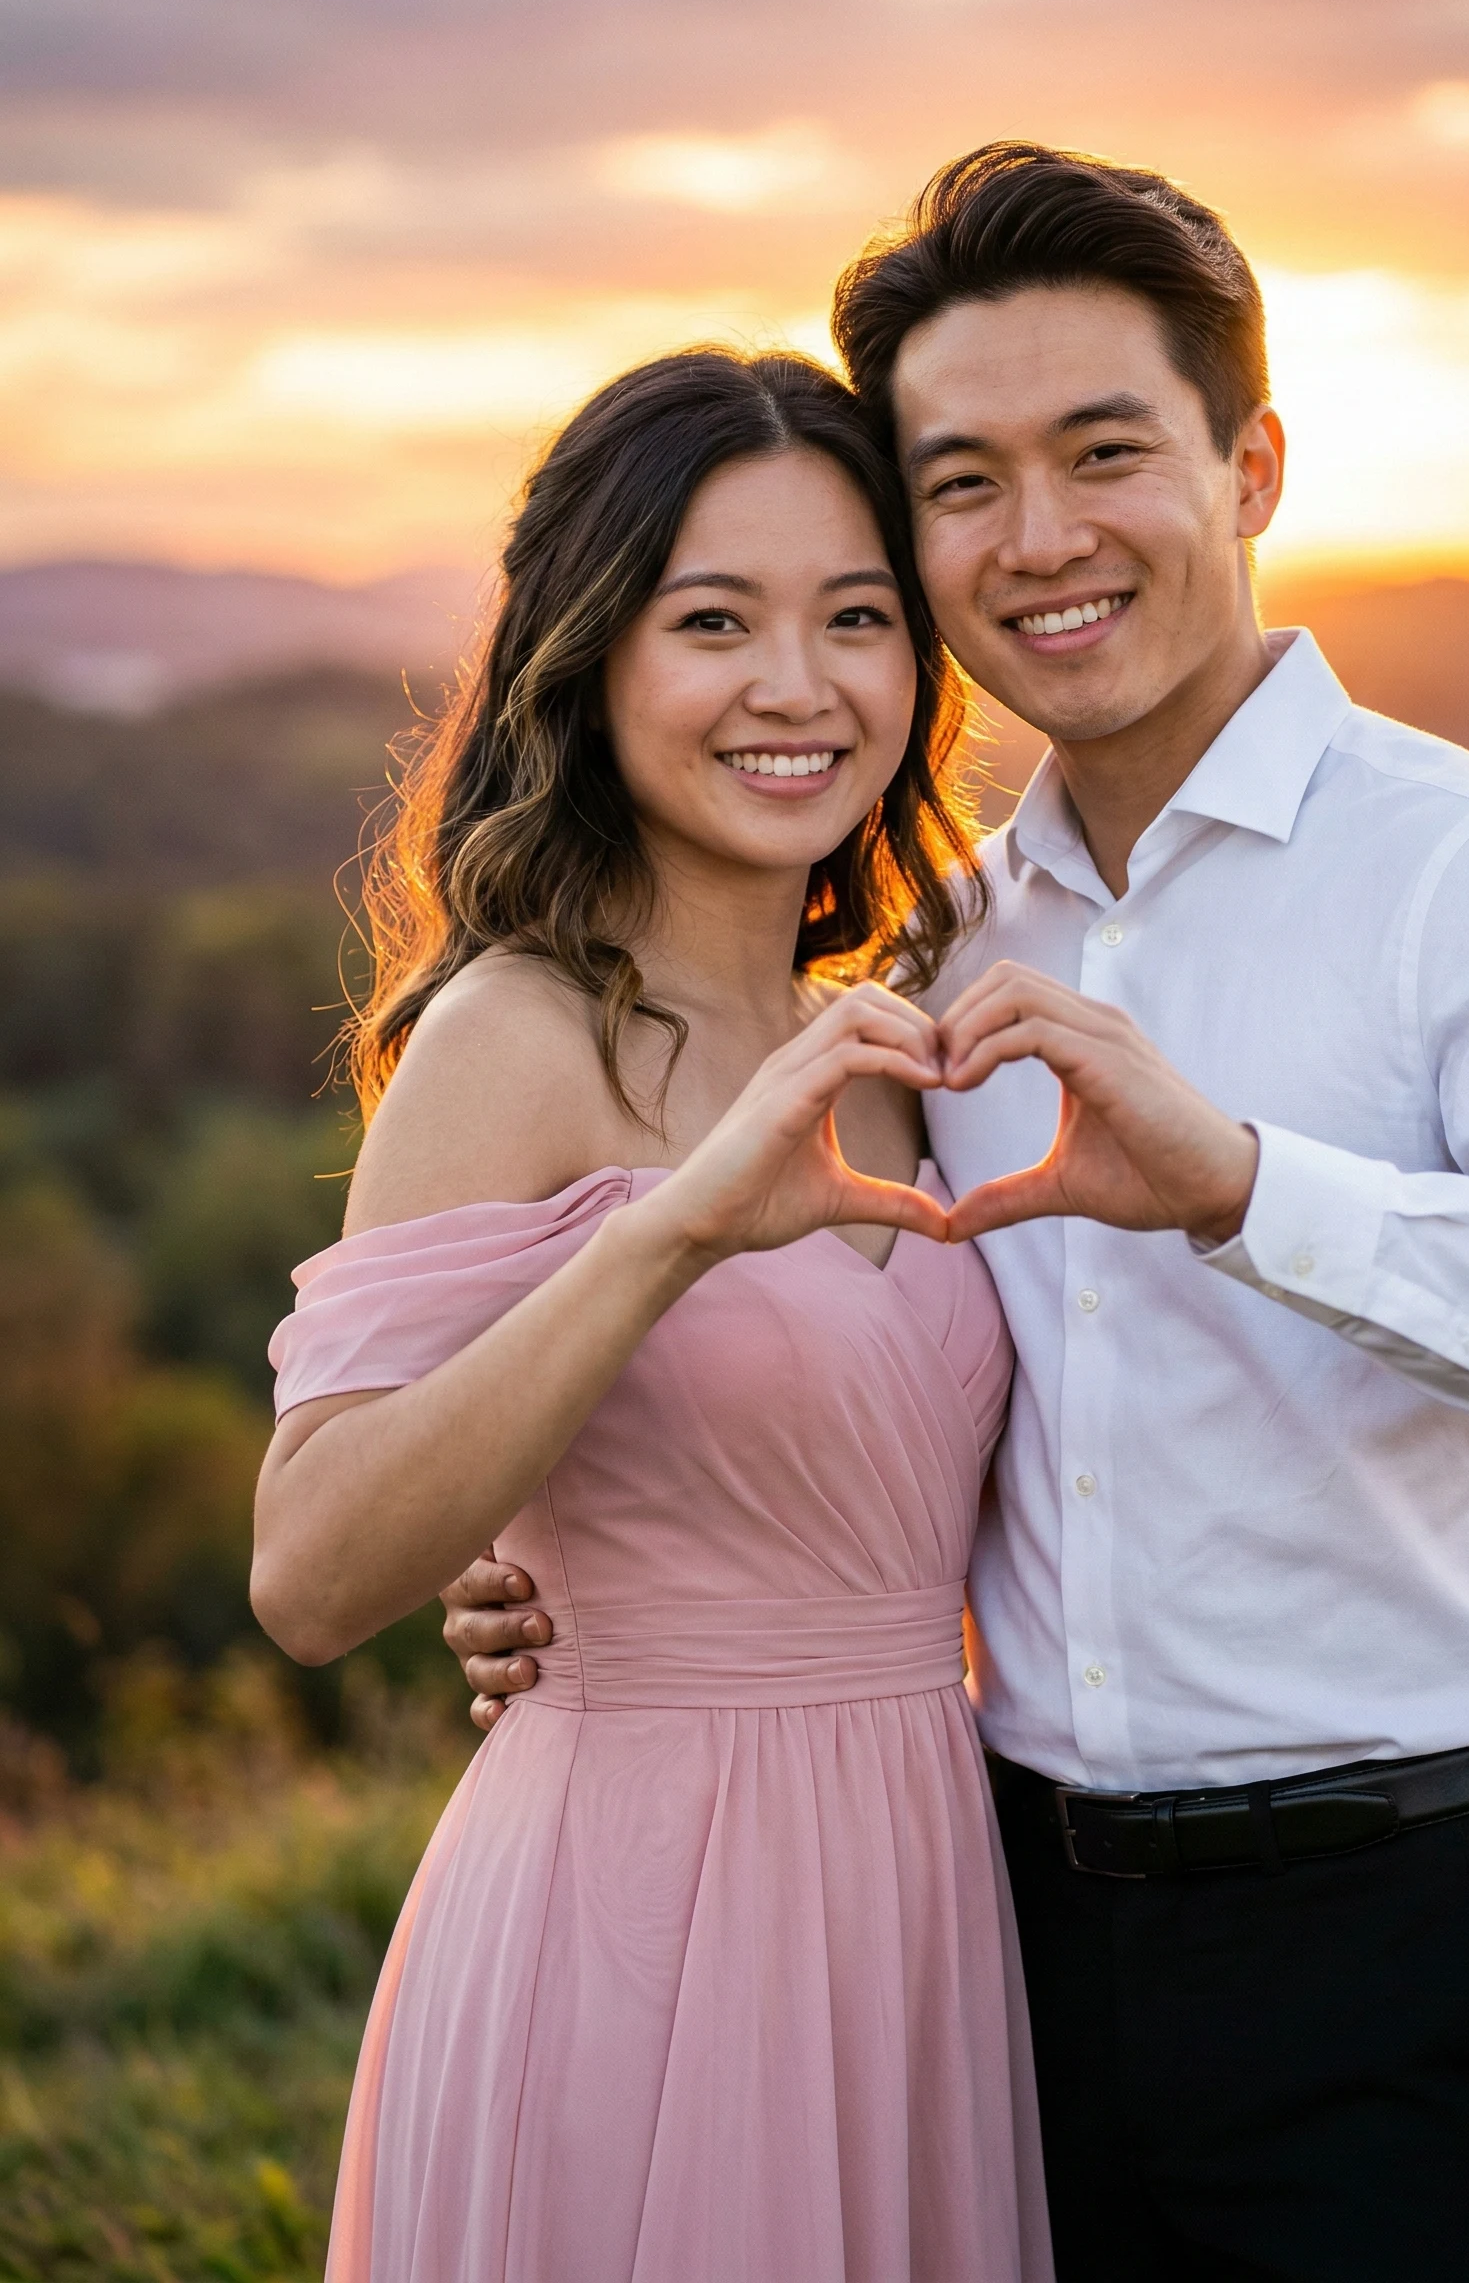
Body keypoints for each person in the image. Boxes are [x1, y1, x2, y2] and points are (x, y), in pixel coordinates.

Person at [449, 146, 1469, 2283]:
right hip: (997, 1940)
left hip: (1389, 1943)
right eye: (961, 484)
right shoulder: (931, 959)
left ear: (1250, 468)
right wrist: (574, 1555)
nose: (1039, 539)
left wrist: (1250, 1193)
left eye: (1104, 454)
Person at [255, 349, 1054, 2282]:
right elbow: (313, 1568)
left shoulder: (914, 1038)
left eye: (855, 617)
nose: (798, 685)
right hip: (635, 1917)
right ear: (591, 658)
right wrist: (668, 1238)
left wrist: (1462, 1496)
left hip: (927, 1907)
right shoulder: (514, 1036)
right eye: (714, 622)